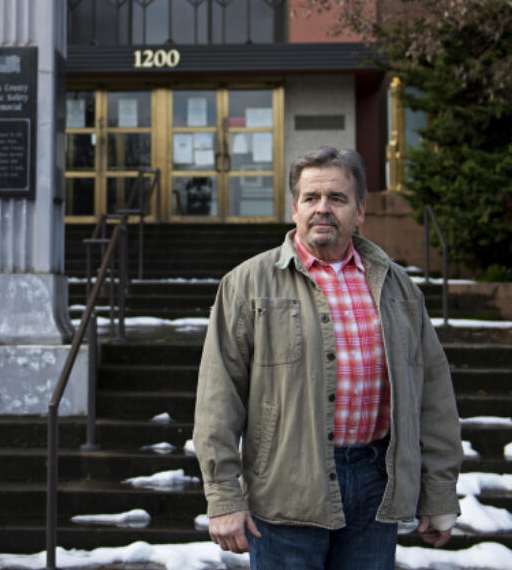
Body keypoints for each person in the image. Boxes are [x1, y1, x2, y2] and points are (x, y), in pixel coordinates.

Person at [193, 146, 461, 570]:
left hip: (377, 487)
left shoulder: (398, 287)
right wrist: (224, 495)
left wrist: (439, 490)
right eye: (310, 198)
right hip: (284, 491)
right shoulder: (246, 285)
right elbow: (217, 399)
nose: (323, 209)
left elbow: (433, 394)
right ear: (295, 208)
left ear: (360, 211)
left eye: (337, 198)